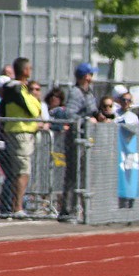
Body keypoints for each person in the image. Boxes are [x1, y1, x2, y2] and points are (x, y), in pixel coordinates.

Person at [0, 57, 42, 217]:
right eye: (29, 68)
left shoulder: (17, 89)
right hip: (20, 133)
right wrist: (34, 100)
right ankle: (17, 207)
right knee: (22, 171)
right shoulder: (16, 89)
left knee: (17, 171)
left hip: (20, 133)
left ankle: (11, 206)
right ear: (24, 70)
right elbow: (33, 109)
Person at [58, 62, 99, 222]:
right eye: (90, 75)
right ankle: (67, 210)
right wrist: (87, 119)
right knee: (73, 174)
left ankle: (82, 208)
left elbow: (93, 109)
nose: (92, 78)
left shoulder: (88, 92)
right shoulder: (76, 93)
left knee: (85, 174)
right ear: (84, 76)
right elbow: (69, 114)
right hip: (77, 137)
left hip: (86, 138)